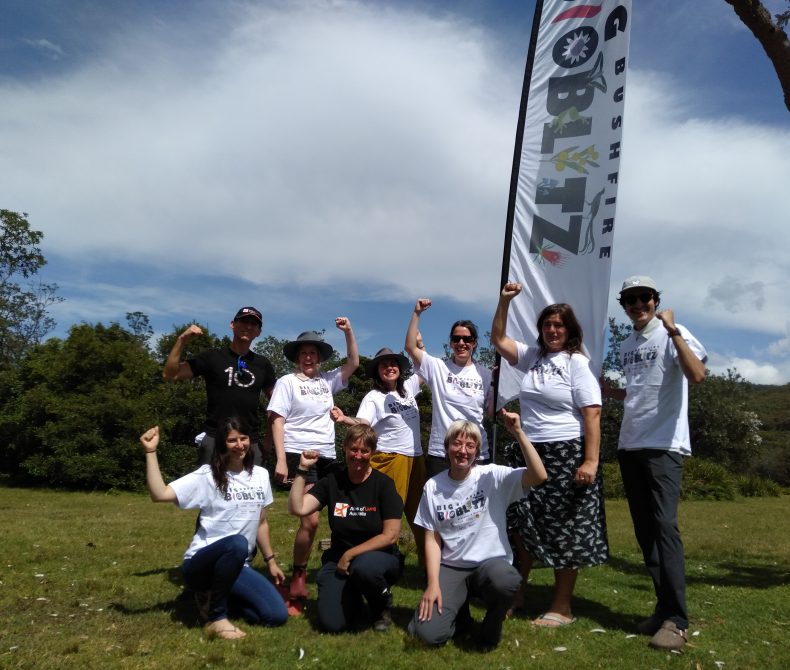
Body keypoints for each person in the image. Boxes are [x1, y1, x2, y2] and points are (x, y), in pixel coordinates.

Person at [491, 282, 607, 626]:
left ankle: (562, 606)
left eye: (559, 325)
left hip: (566, 452)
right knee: (521, 522)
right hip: (529, 450)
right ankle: (517, 592)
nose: (552, 330)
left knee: (565, 527)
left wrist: (590, 461)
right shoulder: (533, 358)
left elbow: (592, 414)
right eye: (547, 325)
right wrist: (504, 302)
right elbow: (498, 339)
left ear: (569, 331)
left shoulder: (577, 364)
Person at [606, 275, 707, 652]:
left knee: (665, 527)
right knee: (645, 531)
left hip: (664, 444)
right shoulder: (627, 344)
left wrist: (673, 330)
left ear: (655, 300)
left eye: (644, 297)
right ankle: (663, 609)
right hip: (631, 443)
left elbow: (697, 375)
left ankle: (677, 621)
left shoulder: (673, 332)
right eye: (630, 300)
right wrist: (610, 391)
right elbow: (639, 390)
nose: (638, 305)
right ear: (624, 305)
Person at [408, 411, 547, 649]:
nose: (463, 450)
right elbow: (432, 538)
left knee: (506, 581)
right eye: (457, 444)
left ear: (477, 452)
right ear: (447, 447)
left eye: (470, 446)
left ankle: (491, 628)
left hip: (490, 566)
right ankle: (460, 618)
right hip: (452, 566)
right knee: (428, 634)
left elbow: (539, 475)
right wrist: (432, 583)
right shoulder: (433, 486)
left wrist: (518, 432)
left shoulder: (493, 476)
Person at [139, 417, 287, 639]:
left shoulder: (260, 475)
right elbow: (160, 494)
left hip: (238, 564)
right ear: (221, 444)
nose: (240, 445)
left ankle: (216, 598)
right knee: (237, 543)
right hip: (202, 565)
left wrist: (271, 561)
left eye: (244, 438)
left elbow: (261, 522)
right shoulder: (207, 475)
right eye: (232, 440)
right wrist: (150, 452)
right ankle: (216, 618)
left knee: (275, 616)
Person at [267, 318, 359, 607]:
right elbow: (277, 421)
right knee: (310, 519)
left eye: (313, 353)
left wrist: (348, 332)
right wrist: (281, 459)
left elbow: (353, 363)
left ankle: (342, 566)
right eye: (304, 353)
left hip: (328, 455)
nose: (309, 357)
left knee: (343, 514)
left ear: (319, 358)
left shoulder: (327, 381)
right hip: (300, 455)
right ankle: (298, 575)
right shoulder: (287, 382)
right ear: (297, 357)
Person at [288, 424, 403, 632]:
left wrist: (350, 554)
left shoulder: (384, 484)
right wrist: (302, 470)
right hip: (338, 560)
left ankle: (381, 606)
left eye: (364, 451)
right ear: (345, 448)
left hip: (378, 558)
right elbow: (298, 508)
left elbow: (391, 535)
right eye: (354, 449)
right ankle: (353, 598)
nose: (358, 456)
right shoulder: (332, 482)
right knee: (331, 624)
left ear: (372, 452)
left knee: (364, 567)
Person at [331, 347, 427, 565]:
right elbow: (364, 423)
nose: (389, 368)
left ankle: (427, 562)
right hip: (390, 458)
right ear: (377, 371)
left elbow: (425, 368)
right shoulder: (374, 397)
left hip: (416, 459)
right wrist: (345, 419)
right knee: (388, 513)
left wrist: (419, 346)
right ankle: (380, 560)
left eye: (393, 364)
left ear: (399, 369)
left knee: (420, 513)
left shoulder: (408, 389)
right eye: (384, 365)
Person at [163, 306, 275, 466]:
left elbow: (276, 406)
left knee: (253, 483)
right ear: (232, 324)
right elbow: (170, 374)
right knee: (210, 483)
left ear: (259, 332)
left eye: (254, 324)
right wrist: (182, 341)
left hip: (249, 442)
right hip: (215, 439)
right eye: (244, 321)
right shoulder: (213, 357)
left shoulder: (263, 364)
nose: (248, 326)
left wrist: (269, 441)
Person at [405, 299, 493, 477]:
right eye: (456, 338)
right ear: (451, 343)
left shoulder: (486, 375)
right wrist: (417, 313)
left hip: (475, 452)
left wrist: (498, 383)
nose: (461, 343)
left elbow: (491, 413)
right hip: (442, 452)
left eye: (467, 339)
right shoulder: (437, 367)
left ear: (474, 343)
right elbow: (410, 347)